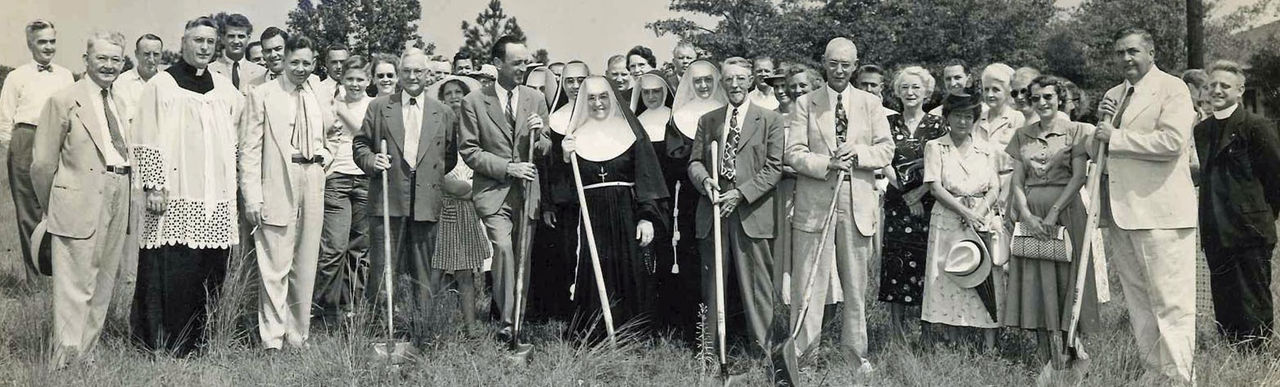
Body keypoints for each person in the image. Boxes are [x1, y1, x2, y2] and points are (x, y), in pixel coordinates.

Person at [129, 16, 245, 357]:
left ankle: (200, 340)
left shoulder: (224, 88)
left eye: (210, 42)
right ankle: (161, 341)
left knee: (208, 268)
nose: (205, 47)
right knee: (172, 269)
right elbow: (146, 136)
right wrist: (153, 184)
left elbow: (234, 137)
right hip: (173, 195)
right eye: (198, 41)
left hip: (214, 196)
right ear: (183, 42)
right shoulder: (162, 85)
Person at [1094, 28, 1198, 385]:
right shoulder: (1113, 95)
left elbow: (1172, 142)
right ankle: (1154, 372)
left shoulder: (1173, 89)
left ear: (1151, 52)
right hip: (1122, 214)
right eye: (1120, 52)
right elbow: (1102, 153)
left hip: (1161, 215)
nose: (1126, 59)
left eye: (1133, 51)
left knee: (1171, 303)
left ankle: (1181, 376)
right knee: (1139, 302)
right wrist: (1102, 125)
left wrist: (1116, 136)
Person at [784, 37, 893, 372]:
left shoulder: (870, 104)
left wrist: (857, 155)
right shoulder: (805, 103)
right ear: (823, 63)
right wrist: (825, 163)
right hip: (815, 204)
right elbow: (793, 153)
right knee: (808, 283)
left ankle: (855, 356)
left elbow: (886, 150)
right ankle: (802, 357)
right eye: (833, 63)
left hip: (857, 203)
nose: (840, 70)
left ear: (855, 66)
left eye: (846, 64)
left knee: (856, 286)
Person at [31, 30, 131, 368]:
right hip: (77, 200)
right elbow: (43, 165)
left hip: (119, 193)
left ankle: (86, 353)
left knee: (103, 281)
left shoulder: (120, 100)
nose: (108, 65)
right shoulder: (63, 100)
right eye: (101, 58)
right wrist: (54, 207)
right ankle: (64, 359)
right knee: (75, 284)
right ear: (85, 60)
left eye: (115, 59)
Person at [688, 60, 786, 379]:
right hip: (715, 210)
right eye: (729, 79)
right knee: (712, 286)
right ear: (722, 83)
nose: (735, 85)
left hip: (750, 212)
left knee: (757, 290)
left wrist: (741, 193)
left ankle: (766, 357)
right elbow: (694, 163)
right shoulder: (708, 120)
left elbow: (774, 167)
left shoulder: (770, 119)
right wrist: (705, 181)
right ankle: (710, 357)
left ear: (751, 81)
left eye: (741, 79)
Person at [238, 35, 333, 350]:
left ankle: (297, 335)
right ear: (282, 61)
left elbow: (332, 135)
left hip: (313, 178)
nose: (301, 69)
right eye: (295, 62)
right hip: (279, 179)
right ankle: (272, 339)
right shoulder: (263, 94)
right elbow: (249, 151)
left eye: (307, 63)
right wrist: (252, 196)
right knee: (275, 264)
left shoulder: (318, 94)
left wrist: (323, 161)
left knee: (305, 263)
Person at [1003, 75, 1098, 383]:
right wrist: (1027, 215)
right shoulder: (1022, 134)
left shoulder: (1076, 131)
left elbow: (1079, 176)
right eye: (1035, 98)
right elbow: (1016, 180)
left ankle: (1075, 354)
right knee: (1036, 285)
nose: (1042, 103)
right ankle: (1051, 358)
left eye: (1048, 96)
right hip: (1032, 214)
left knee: (1066, 284)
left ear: (1060, 98)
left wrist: (1055, 211)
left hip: (1066, 212)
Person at [352, 50, 458, 326]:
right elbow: (360, 145)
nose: (412, 76)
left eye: (418, 71)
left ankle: (422, 329)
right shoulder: (380, 107)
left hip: (425, 200)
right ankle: (381, 327)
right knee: (384, 269)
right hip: (388, 197)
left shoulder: (443, 112)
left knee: (424, 271)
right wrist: (372, 160)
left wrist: (423, 178)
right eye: (407, 71)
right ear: (400, 74)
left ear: (428, 75)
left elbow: (449, 156)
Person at [458, 35, 551, 351]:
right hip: (493, 193)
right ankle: (507, 325)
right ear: (497, 64)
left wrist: (541, 138)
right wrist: (507, 168)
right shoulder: (473, 102)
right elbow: (469, 151)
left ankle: (515, 326)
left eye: (526, 62)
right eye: (517, 63)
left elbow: (545, 146)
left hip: (527, 194)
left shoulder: (535, 99)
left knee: (522, 257)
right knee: (504, 250)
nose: (523, 68)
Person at [558, 75, 667, 339]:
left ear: (613, 98)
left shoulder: (631, 131)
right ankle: (595, 332)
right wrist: (564, 157)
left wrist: (646, 217)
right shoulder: (574, 137)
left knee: (630, 269)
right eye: (592, 98)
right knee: (594, 270)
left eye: (603, 96)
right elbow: (565, 191)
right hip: (591, 215)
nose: (598, 103)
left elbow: (647, 177)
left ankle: (632, 332)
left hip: (626, 212)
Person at [1194, 60, 1280, 349]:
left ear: (1240, 91)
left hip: (1250, 231)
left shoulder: (1256, 126)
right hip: (1215, 230)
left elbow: (1275, 178)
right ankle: (1231, 353)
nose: (1217, 90)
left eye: (1225, 86)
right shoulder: (1202, 130)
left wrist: (1261, 216)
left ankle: (1257, 355)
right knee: (1225, 297)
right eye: (1212, 85)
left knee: (1253, 298)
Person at [920, 93, 1001, 349]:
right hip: (948, 218)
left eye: (968, 116)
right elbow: (935, 187)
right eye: (958, 115)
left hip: (980, 218)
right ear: (947, 118)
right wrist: (964, 213)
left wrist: (979, 211)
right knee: (951, 276)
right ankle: (953, 340)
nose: (963, 122)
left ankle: (990, 344)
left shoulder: (986, 149)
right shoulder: (936, 147)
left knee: (984, 275)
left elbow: (995, 187)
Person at [0, 19, 74, 282]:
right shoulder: (16, 76)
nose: (48, 46)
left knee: (60, 205)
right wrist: (13, 150)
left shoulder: (65, 75)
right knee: (27, 210)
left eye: (52, 41)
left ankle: (61, 275)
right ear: (30, 44)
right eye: (42, 41)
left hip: (58, 138)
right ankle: (36, 279)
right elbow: (6, 119)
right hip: (26, 136)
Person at [878, 65, 949, 340]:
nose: (910, 92)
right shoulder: (887, 123)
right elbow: (884, 160)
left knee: (926, 267)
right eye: (905, 87)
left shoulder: (937, 125)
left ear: (926, 92)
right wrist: (905, 194)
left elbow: (941, 164)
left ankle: (926, 334)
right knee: (895, 266)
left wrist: (918, 195)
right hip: (897, 204)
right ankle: (896, 336)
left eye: (916, 87)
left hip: (929, 204)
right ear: (897, 92)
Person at [312, 56, 375, 325]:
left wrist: (340, 111)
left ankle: (352, 309)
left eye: (360, 79)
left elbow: (367, 135)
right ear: (342, 79)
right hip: (337, 178)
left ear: (368, 81)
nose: (355, 84)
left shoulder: (374, 106)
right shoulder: (329, 105)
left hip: (365, 179)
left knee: (359, 250)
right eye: (350, 79)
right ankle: (322, 309)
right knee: (334, 248)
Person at [427, 75, 490, 335]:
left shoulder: (474, 126)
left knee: (465, 270)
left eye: (459, 92)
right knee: (436, 267)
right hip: (441, 201)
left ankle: (470, 325)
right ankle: (426, 323)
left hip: (467, 203)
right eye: (449, 93)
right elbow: (428, 165)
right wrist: (448, 186)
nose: (454, 97)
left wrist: (473, 191)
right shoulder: (435, 126)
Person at [533, 61, 590, 324]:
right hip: (565, 201)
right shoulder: (554, 120)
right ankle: (567, 313)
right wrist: (548, 204)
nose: (575, 86)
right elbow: (546, 168)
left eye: (581, 80)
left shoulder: (600, 113)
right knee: (567, 255)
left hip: (594, 198)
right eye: (569, 81)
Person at [207, 13, 265, 94]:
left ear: (248, 38)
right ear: (223, 38)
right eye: (231, 36)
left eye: (241, 36)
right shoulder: (209, 71)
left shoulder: (261, 73)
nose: (236, 41)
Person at [115, 34, 164, 115]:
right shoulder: (121, 83)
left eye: (156, 54)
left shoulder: (168, 83)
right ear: (136, 54)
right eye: (146, 54)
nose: (151, 60)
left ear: (161, 55)